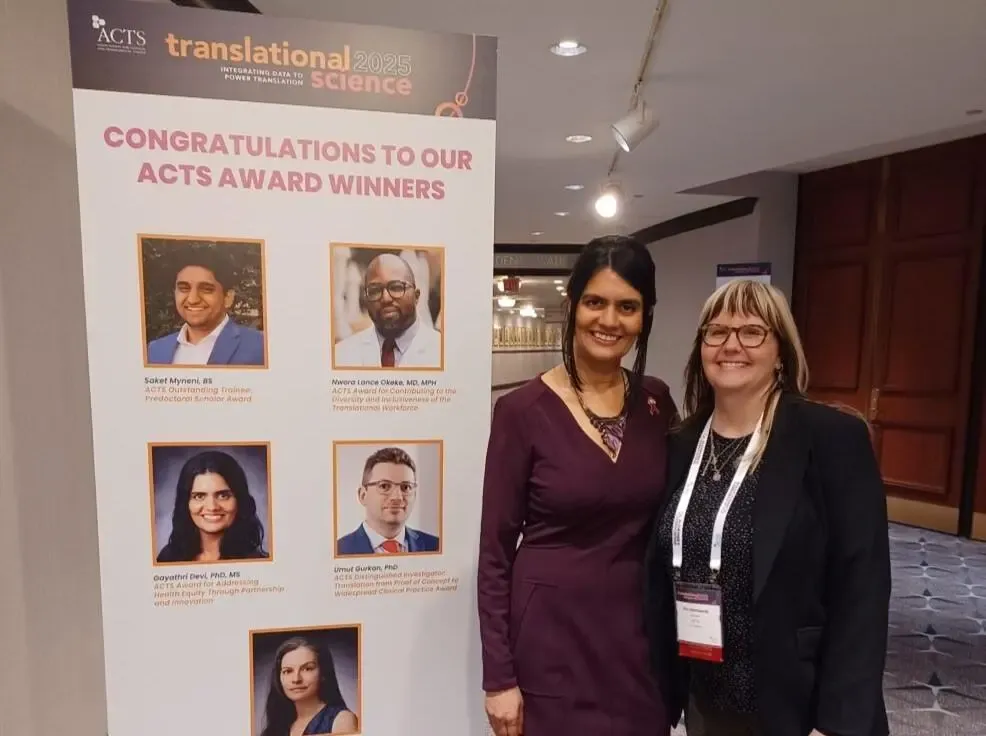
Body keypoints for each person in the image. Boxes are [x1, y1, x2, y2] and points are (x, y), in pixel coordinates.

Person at [644, 279, 890, 736]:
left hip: (801, 704)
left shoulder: (831, 438)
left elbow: (863, 587)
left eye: (752, 331)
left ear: (780, 350)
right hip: (708, 696)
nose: (731, 344)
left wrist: (837, 723)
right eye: (716, 332)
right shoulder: (681, 445)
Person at [478, 235, 679, 736]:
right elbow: (495, 553)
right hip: (551, 643)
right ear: (572, 304)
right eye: (595, 302)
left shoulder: (657, 403)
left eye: (627, 307)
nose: (609, 321)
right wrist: (498, 678)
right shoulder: (521, 412)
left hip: (638, 643)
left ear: (645, 315)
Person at [146, 248, 266, 366]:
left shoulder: (260, 347)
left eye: (206, 289)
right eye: (184, 288)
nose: (193, 300)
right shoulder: (155, 350)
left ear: (228, 298)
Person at [156, 449, 269, 563]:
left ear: (239, 500)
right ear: (185, 504)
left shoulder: (258, 562)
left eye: (223, 495)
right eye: (199, 496)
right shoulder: (168, 557)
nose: (212, 507)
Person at [333, 252, 442, 369]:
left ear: (416, 296)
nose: (385, 298)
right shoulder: (342, 354)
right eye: (375, 290)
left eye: (396, 287)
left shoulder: (441, 352)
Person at [336, 446, 440, 556]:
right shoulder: (339, 550)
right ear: (362, 495)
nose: (397, 497)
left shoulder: (435, 545)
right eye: (384, 486)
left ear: (414, 494)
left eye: (406, 487)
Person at [258, 636, 358, 736]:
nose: (296, 679)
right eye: (288, 671)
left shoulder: (342, 720)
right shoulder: (279, 725)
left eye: (307, 669)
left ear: (323, 673)